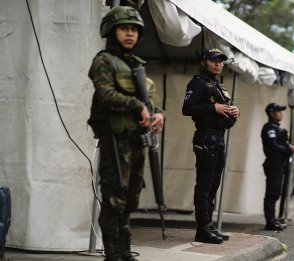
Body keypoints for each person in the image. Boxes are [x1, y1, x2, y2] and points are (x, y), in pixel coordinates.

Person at [88, 6, 164, 261]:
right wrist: (138, 106)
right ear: (112, 30)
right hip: (115, 140)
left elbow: (149, 99)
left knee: (130, 199)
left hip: (136, 140)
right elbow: (106, 95)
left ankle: (124, 253)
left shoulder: (136, 64)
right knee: (113, 200)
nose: (130, 34)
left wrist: (158, 113)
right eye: (124, 28)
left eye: (133, 29)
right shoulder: (104, 61)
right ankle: (113, 255)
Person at [182, 48, 240, 244]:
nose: (218, 64)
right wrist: (213, 107)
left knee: (214, 184)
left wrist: (234, 112)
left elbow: (226, 119)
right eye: (213, 60)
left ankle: (210, 225)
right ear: (203, 62)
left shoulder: (219, 86)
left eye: (221, 61)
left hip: (218, 138)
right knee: (205, 184)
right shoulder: (197, 83)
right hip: (205, 138)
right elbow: (187, 108)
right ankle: (202, 228)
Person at [260, 103, 294, 231]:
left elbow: (281, 144)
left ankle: (273, 218)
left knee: (276, 193)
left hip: (280, 163)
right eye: (278, 111)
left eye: (281, 111)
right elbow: (273, 146)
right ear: (271, 113)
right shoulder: (269, 128)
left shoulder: (278, 128)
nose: (281, 113)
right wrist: (289, 148)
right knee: (272, 193)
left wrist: (290, 147)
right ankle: (269, 221)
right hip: (273, 163)